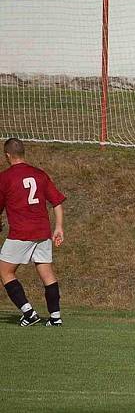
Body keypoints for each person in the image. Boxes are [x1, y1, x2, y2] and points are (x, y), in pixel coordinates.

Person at [0, 138, 66, 327]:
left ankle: (28, 312)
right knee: (46, 272)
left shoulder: (5, 177)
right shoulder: (39, 174)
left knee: (5, 272)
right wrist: (59, 227)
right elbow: (57, 202)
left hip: (21, 232)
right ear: (23, 153)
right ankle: (55, 317)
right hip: (43, 231)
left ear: (7, 155)